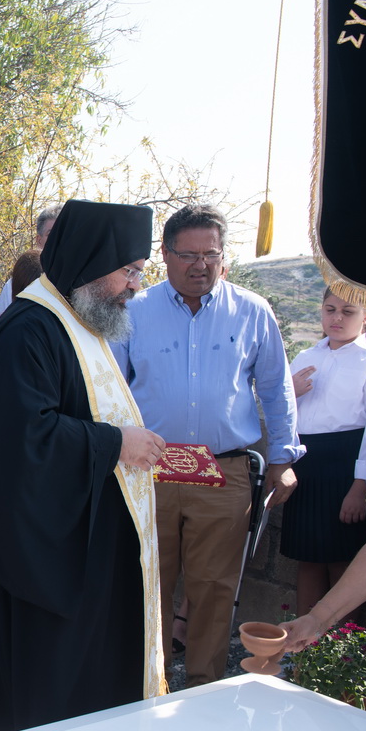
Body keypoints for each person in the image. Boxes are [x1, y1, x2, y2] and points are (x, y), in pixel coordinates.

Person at [0, 198, 166, 731]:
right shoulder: (31, 328)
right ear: (90, 261)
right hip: (42, 564)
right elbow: (22, 443)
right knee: (46, 707)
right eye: (129, 270)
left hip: (82, 548)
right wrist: (116, 443)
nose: (135, 286)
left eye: (139, 272)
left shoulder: (76, 319)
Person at [116, 203, 302, 689]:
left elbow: (276, 388)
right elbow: (110, 388)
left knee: (214, 590)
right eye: (189, 254)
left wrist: (283, 458)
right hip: (149, 469)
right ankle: (144, 685)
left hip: (224, 475)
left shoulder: (253, 311)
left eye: (211, 255)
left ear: (224, 257)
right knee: (146, 583)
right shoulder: (133, 310)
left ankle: (203, 690)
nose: (201, 264)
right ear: (165, 254)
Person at [282, 291, 366, 618]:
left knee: (341, 560)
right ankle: (303, 650)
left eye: (347, 311)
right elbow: (282, 414)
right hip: (307, 465)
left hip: (346, 464)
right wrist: (289, 393)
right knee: (308, 558)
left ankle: (340, 654)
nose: (336, 318)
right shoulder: (307, 355)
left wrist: (360, 487)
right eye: (330, 309)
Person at [0, 204, 60, 327]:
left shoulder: (80, 286)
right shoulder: (15, 284)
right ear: (39, 240)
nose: (57, 239)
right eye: (51, 234)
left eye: (62, 233)